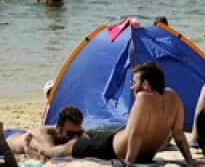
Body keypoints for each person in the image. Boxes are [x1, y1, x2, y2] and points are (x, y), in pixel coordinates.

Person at [30, 62, 195, 165]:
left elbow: (136, 134)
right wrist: (190, 161)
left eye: (134, 82)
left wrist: (129, 163)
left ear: (145, 84)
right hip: (143, 153)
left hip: (110, 148)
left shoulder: (144, 97)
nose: (132, 87)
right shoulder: (173, 97)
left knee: (70, 146)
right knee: (91, 134)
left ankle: (42, 148)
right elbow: (179, 135)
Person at [5, 106, 85, 155]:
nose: (75, 137)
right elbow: (49, 153)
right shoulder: (44, 134)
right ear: (59, 130)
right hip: (8, 139)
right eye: (70, 134)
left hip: (22, 133)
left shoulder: (75, 132)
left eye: (78, 133)